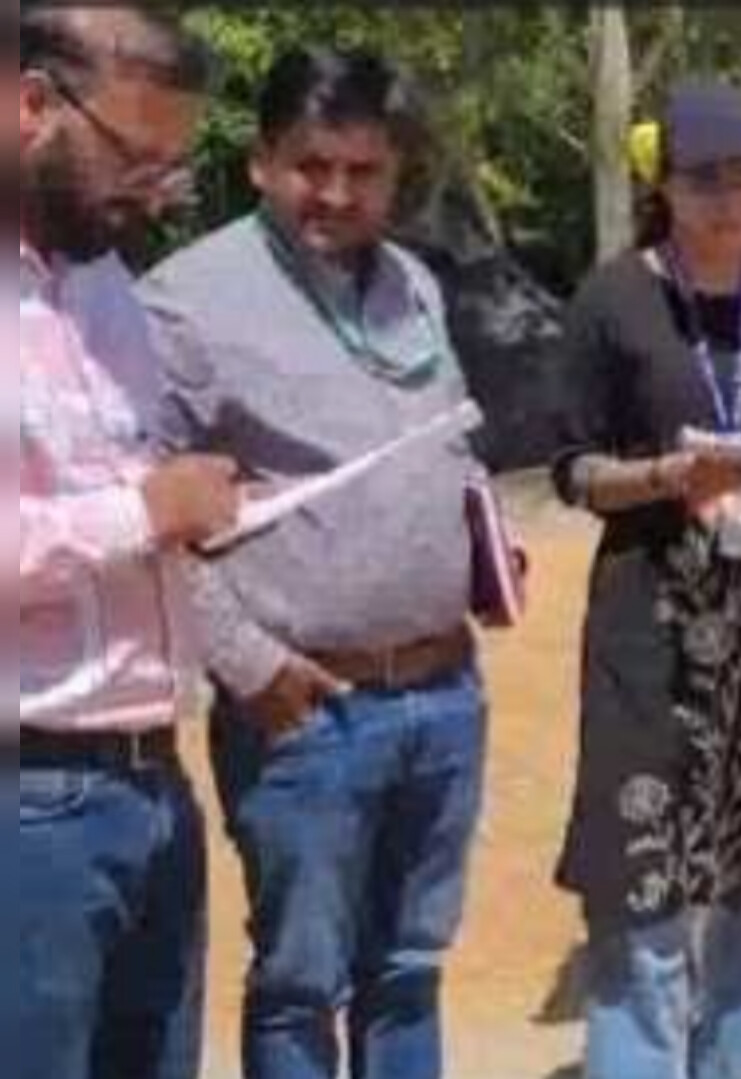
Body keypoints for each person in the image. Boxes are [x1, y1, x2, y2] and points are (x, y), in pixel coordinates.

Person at [142, 48, 494, 1079]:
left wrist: (478, 543)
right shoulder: (186, 302)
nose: (335, 194)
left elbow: (447, 443)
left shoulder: (413, 285)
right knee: (300, 985)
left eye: (363, 171)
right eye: (311, 166)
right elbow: (151, 514)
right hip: (308, 714)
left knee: (410, 969)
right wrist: (250, 664)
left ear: (396, 173)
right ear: (261, 161)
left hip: (445, 694)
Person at [551, 81, 741, 1079]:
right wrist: (666, 477)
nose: (730, 198)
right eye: (704, 180)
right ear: (663, 184)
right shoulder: (614, 298)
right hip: (652, 631)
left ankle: (740, 1064)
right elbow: (571, 469)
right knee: (640, 881)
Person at [17, 9, 232, 1079]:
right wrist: (143, 514)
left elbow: (131, 480)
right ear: (33, 103)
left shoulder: (103, 282)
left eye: (169, 167)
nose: (152, 193)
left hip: (151, 778)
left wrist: (204, 510)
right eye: (134, 157)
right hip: (26, 803)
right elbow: (125, 508)